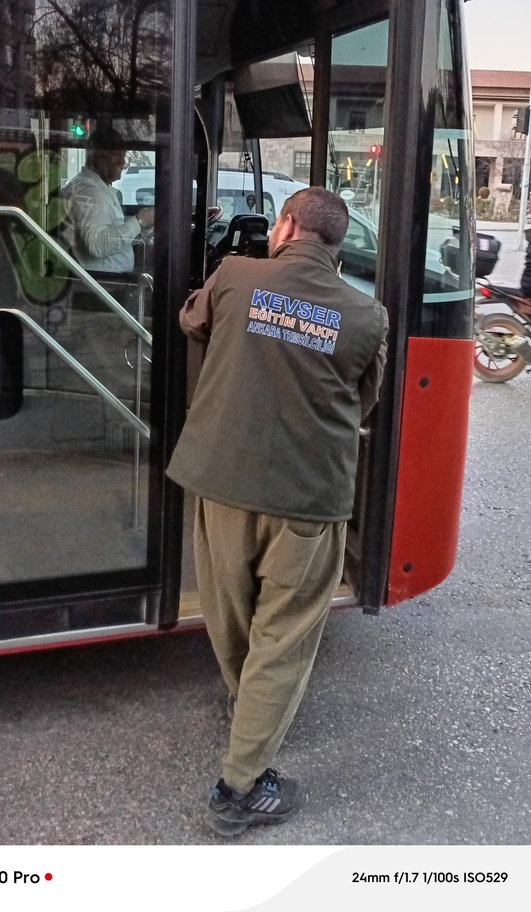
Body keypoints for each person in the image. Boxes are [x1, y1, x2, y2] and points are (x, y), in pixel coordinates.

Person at [166, 186, 388, 837]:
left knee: (231, 617)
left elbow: (190, 323)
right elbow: (362, 401)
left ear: (286, 226)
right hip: (304, 500)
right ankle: (241, 780)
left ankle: (241, 766)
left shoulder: (234, 275)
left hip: (222, 484)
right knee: (282, 636)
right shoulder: (364, 315)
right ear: (335, 245)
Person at [61, 129, 154, 274]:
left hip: (107, 280)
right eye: (116, 155)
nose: (122, 163)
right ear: (97, 157)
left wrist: (140, 224)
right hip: (102, 286)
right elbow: (98, 244)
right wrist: (139, 221)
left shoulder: (98, 187)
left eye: (123, 156)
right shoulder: (90, 192)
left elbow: (108, 226)